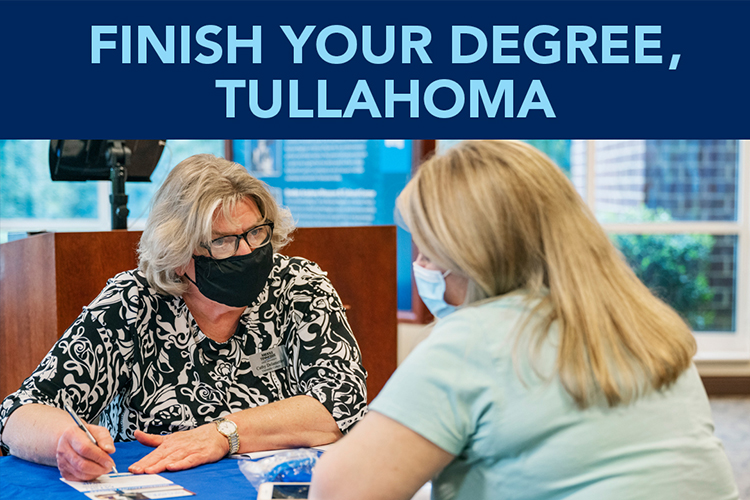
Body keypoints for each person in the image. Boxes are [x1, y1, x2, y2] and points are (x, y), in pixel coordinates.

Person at [310, 141, 738, 500]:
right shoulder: (648, 325)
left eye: (428, 252)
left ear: (470, 256)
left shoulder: (475, 341)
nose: (420, 265)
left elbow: (339, 492)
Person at [0, 154, 367, 481]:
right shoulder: (134, 302)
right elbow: (18, 413)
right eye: (222, 241)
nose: (247, 251)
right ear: (177, 255)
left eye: (256, 233)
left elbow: (341, 403)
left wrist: (222, 434)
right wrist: (65, 441)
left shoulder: (298, 286)